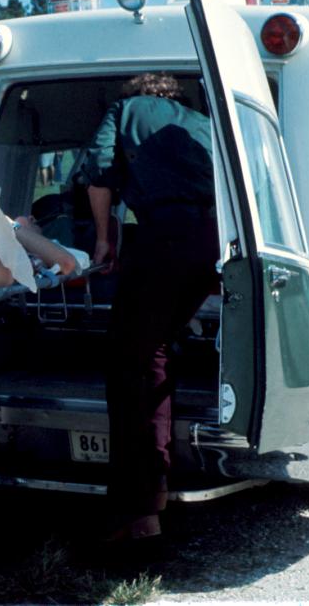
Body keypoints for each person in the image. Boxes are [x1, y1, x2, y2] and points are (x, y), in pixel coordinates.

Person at [83, 72, 217, 541]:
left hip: (165, 234)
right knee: (154, 348)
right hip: (211, 241)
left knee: (131, 365)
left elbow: (98, 172)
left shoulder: (124, 111)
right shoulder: (202, 120)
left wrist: (104, 240)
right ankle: (154, 490)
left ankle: (138, 513)